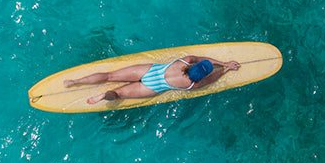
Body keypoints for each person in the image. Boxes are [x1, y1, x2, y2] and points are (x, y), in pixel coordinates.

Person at [63, 55, 241, 104]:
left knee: (109, 76)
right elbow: (214, 77)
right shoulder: (192, 84)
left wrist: (222, 62)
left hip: (150, 71)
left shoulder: (184, 61)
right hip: (154, 87)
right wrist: (225, 69)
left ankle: (76, 82)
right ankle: (104, 96)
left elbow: (203, 59)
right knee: (117, 94)